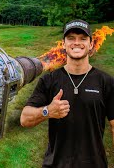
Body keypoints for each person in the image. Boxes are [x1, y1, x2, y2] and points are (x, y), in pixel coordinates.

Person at [20, 19, 114, 167]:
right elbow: (25, 119)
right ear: (63, 44)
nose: (77, 42)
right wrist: (47, 111)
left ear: (91, 44)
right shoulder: (49, 80)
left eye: (83, 38)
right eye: (71, 38)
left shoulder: (106, 81)